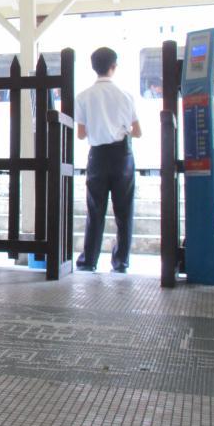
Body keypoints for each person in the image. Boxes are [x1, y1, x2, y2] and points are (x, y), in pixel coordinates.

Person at [75, 47, 142, 273]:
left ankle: (88, 261)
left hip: (97, 156)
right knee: (124, 211)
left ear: (93, 67)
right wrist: (121, 129)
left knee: (95, 209)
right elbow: (138, 131)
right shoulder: (126, 96)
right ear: (114, 67)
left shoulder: (83, 96)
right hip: (122, 155)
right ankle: (121, 262)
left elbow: (81, 134)